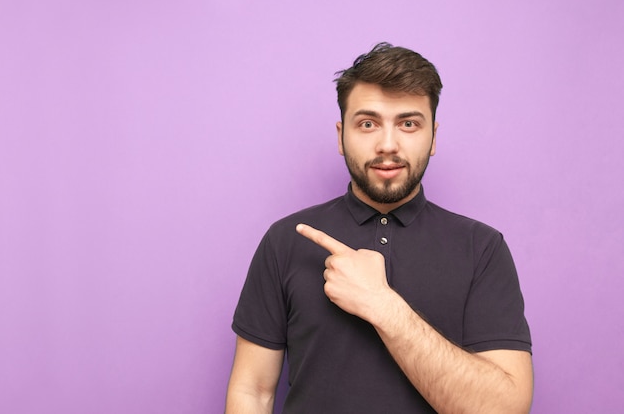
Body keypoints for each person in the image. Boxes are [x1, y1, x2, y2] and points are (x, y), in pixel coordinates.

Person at [225, 42, 533, 414]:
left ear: (433, 136)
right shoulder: (285, 240)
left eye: (408, 124)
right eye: (367, 123)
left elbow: (504, 409)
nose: (387, 145)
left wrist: (381, 305)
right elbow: (252, 393)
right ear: (341, 134)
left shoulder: (482, 248)